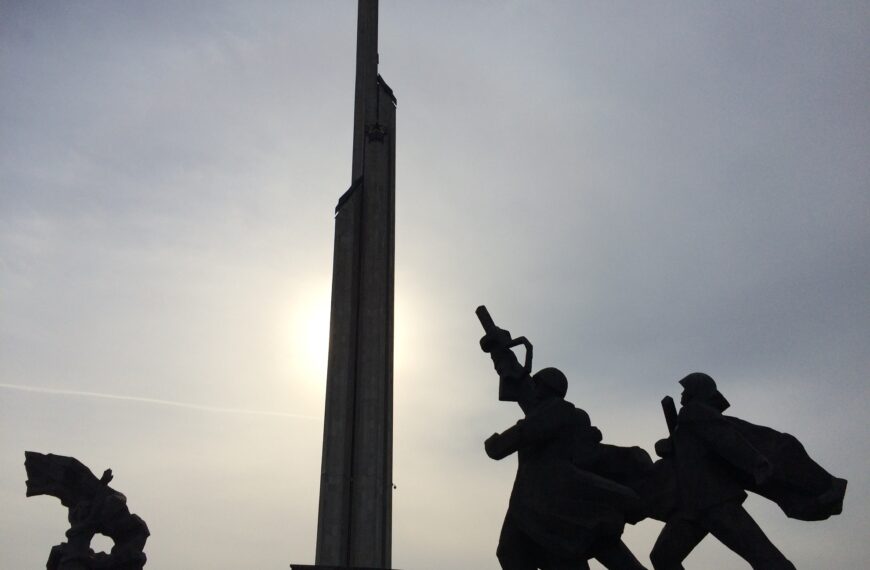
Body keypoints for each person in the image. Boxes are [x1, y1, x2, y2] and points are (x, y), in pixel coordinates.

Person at [650, 372, 829, 570]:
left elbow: (726, 439)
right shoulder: (687, 420)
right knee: (663, 557)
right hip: (691, 507)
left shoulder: (693, 411)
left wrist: (756, 463)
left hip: (716, 502)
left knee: (766, 559)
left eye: (685, 389)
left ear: (695, 391)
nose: (682, 394)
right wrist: (670, 445)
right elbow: (690, 449)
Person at [485, 367, 649, 570]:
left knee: (536, 550)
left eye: (536, 383)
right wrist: (500, 354)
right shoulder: (544, 409)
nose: (532, 387)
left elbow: (526, 431)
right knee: (514, 551)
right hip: (529, 497)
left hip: (549, 493)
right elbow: (521, 388)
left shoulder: (556, 409)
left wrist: (497, 444)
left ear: (546, 387)